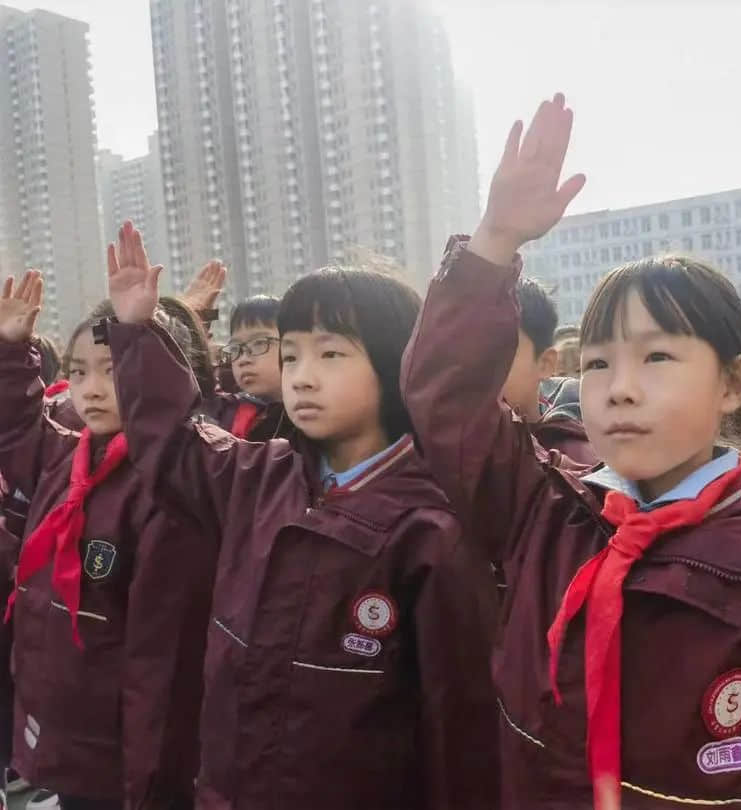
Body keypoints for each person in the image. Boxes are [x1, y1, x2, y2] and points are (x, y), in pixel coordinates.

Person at [401, 93, 741, 809]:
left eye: (657, 358)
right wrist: (493, 242)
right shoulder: (545, 512)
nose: (618, 390)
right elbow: (442, 400)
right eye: (598, 364)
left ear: (732, 382)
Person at [105, 221, 498, 810]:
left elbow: (457, 728)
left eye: (332, 353)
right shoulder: (259, 477)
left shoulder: (429, 529)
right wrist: (137, 332)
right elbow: (175, 441)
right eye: (291, 355)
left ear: (395, 365)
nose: (303, 376)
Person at [0, 270, 218, 810]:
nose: (91, 389)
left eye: (114, 370)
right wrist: (9, 351)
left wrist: (148, 777)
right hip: (70, 735)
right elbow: (16, 429)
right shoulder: (67, 459)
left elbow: (159, 660)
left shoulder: (168, 493)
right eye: (78, 372)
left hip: (127, 755)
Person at [502, 278, 595, 464]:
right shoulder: (449, 452)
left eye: (501, 352)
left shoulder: (579, 458)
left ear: (545, 363)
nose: (481, 370)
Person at [210, 295, 293, 441]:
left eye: (259, 343)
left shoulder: (313, 417)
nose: (243, 359)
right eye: (236, 348)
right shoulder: (226, 411)